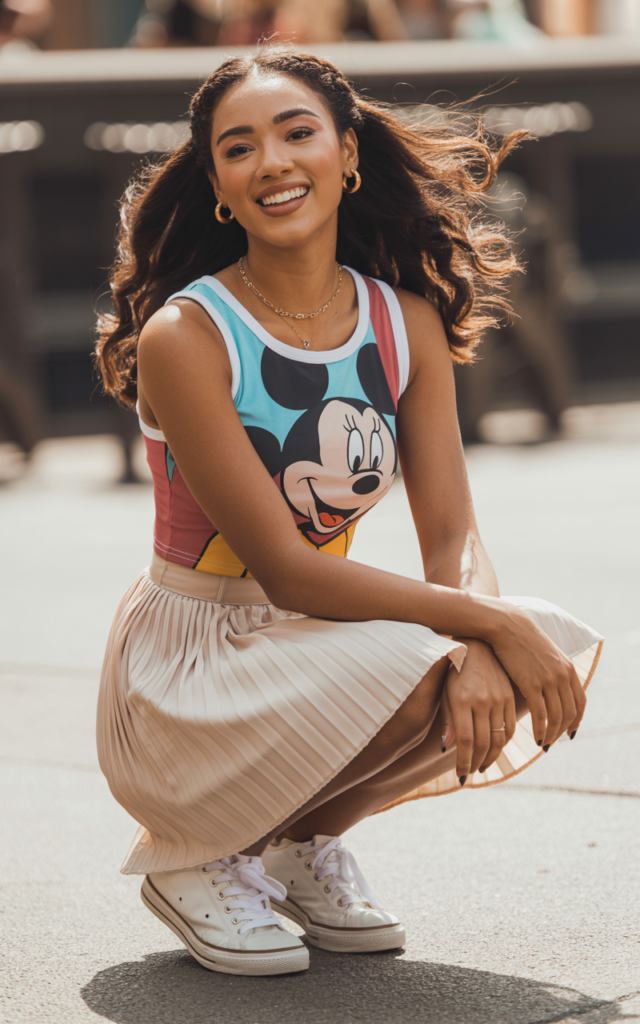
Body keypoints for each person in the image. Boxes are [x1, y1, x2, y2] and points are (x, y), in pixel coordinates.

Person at [95, 48, 602, 977]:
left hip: (311, 640)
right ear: (218, 186)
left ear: (348, 153)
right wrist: (484, 627)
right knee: (454, 658)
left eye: (298, 133)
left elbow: (452, 533)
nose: (273, 163)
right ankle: (198, 857)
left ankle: (298, 843)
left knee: (539, 643)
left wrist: (485, 639)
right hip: (192, 663)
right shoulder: (188, 334)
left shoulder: (403, 321)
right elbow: (288, 571)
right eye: (239, 148)